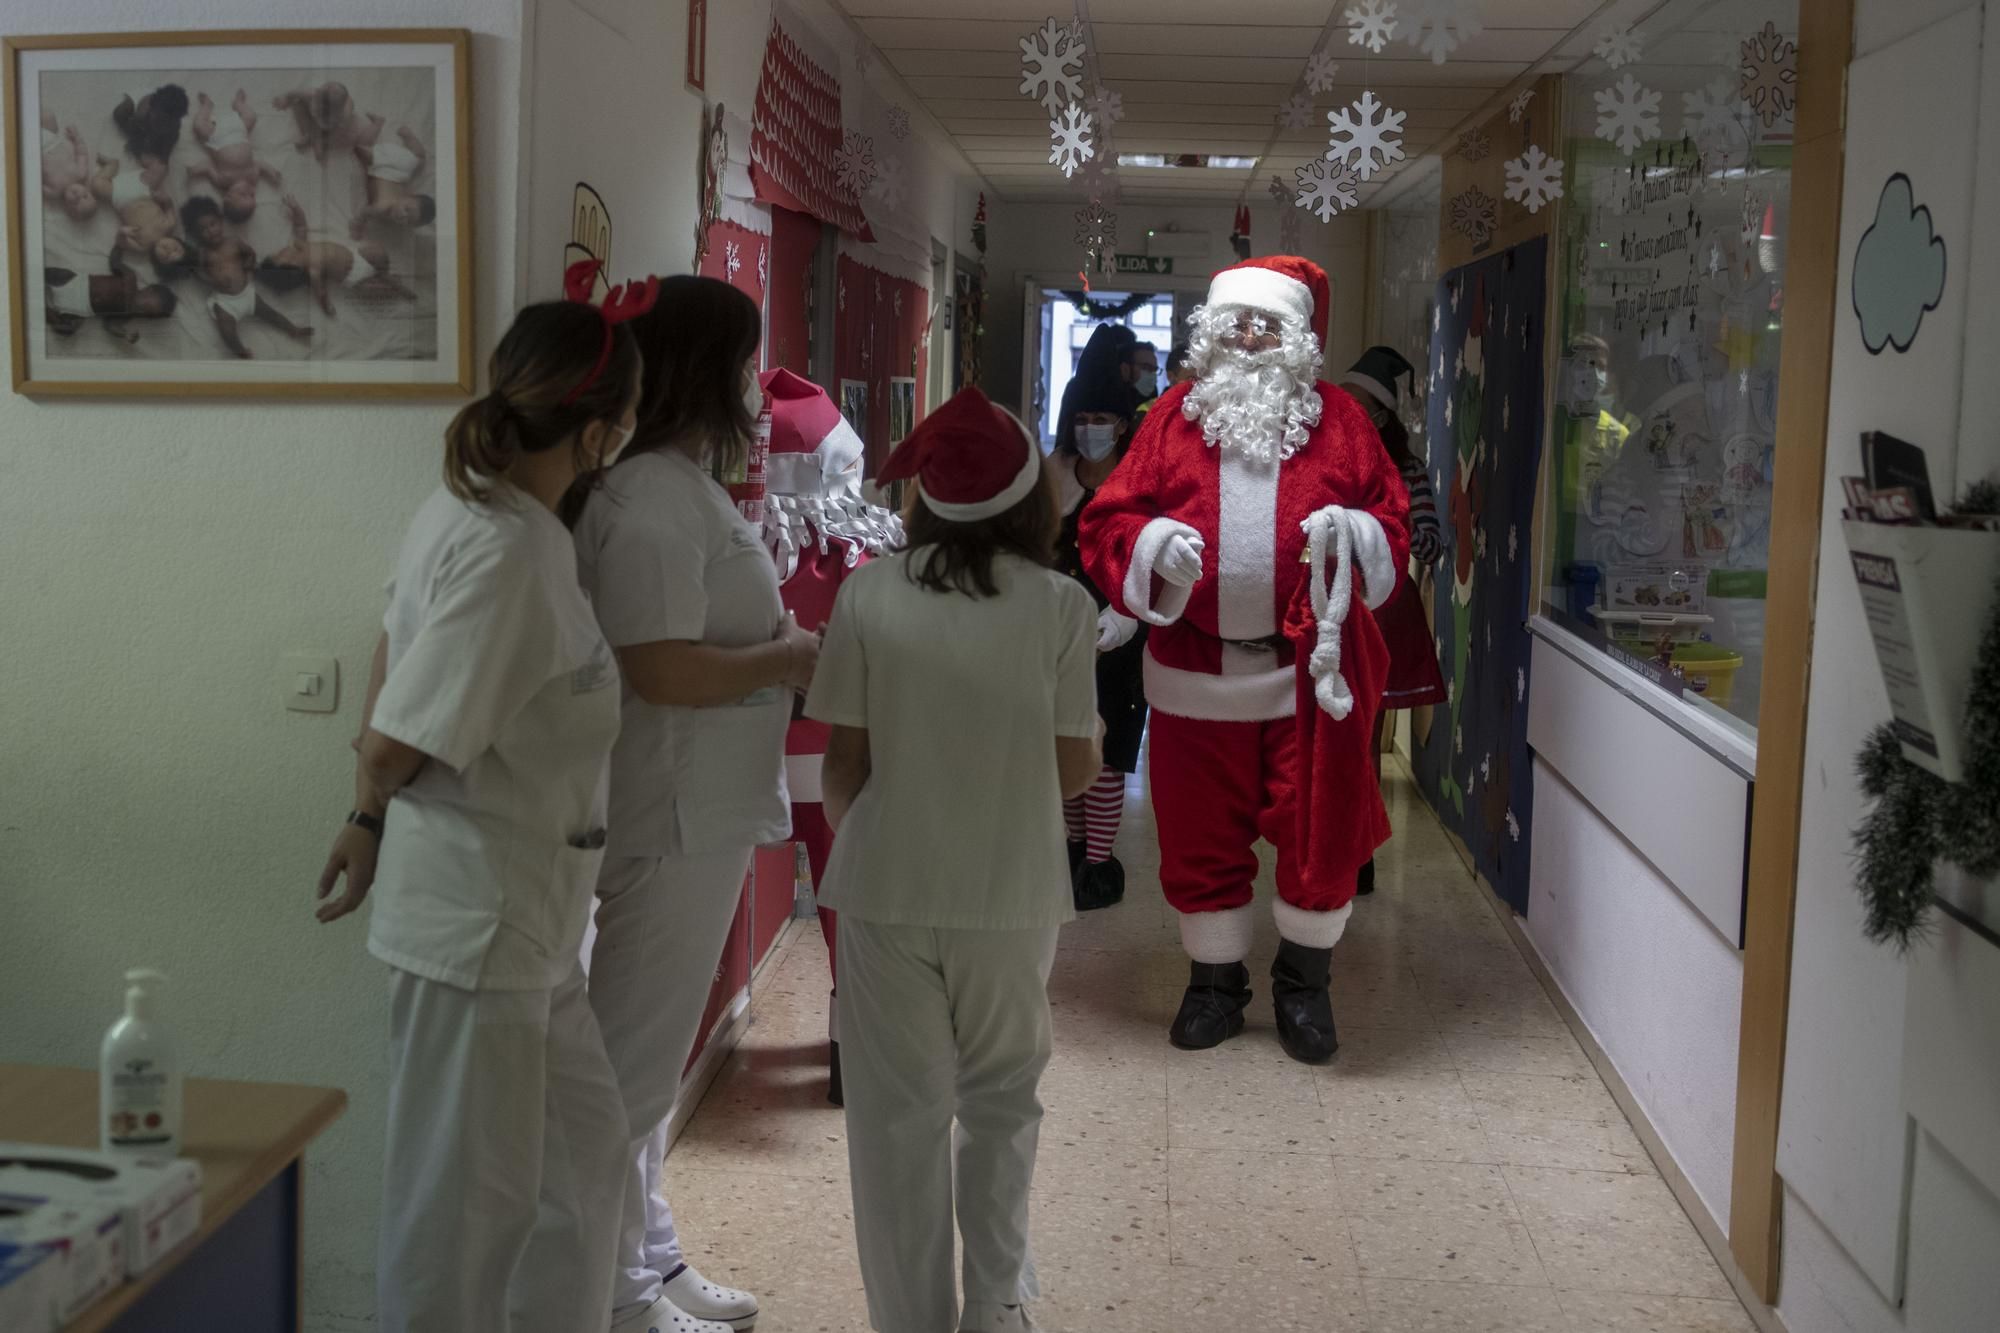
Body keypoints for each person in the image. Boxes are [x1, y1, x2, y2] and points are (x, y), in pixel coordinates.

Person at [311, 297, 643, 1333]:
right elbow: (394, 734)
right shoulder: (511, 551)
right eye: (628, 418)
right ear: (599, 432)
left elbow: (388, 656)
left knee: (584, 1171)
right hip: (480, 925)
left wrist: (366, 819)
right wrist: (365, 813)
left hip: (528, 927)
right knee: (462, 1218)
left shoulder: (482, 515)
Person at [809, 386, 1100, 1333]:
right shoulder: (1059, 606)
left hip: (886, 887)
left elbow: (843, 764)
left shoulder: (867, 593)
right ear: (1029, 500)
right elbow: (1070, 770)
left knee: (895, 1126)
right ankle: (995, 1306)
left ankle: (911, 1319)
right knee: (1004, 1101)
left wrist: (894, 829)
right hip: (1012, 889)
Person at [1078, 255, 1409, 1064]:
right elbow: (1107, 520)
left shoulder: (1343, 423)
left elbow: (1390, 523)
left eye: (1268, 326)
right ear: (1213, 334)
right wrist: (1153, 544)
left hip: (1307, 680)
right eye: (1238, 325)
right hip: (1195, 679)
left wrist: (1354, 534)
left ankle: (1305, 983)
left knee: (1314, 832)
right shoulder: (1170, 421)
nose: (1253, 339)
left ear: (1297, 338)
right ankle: (1214, 985)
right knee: (1197, 835)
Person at [570, 269, 812, 1333]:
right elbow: (659, 669)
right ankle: (616, 1295)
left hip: (699, 809)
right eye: (743, 362)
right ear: (699, 371)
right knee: (629, 1066)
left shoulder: (676, 484)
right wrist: (787, 653)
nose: (755, 386)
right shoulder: (646, 502)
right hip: (666, 813)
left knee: (651, 1059)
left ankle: (653, 1261)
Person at [755, 367, 903, 1107]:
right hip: (833, 751)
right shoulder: (861, 556)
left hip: (735, 743)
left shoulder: (738, 547)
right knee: (850, 905)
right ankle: (856, 1046)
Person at [1338, 347, 1447, 896]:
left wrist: (1385, 532)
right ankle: (1328, 843)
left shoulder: (1406, 469)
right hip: (1322, 603)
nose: (1346, 413)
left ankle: (1359, 851)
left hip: (1379, 609)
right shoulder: (1322, 455)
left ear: (1381, 415)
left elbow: (1430, 540)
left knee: (1364, 734)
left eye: (1359, 406)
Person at [1050, 365, 1146, 911]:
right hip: (1060, 637)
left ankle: (1099, 863)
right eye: (1081, 418)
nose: (1090, 428)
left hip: (1120, 636)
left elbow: (1145, 566)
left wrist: (1118, 622)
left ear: (1121, 424)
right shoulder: (1055, 476)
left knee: (1107, 755)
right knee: (1066, 746)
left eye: (1100, 419)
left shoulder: (1136, 484)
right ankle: (1075, 849)